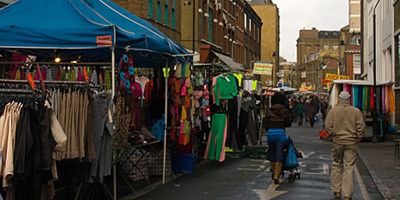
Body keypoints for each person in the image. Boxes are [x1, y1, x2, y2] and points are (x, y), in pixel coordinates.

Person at [324, 91, 365, 200]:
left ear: (339, 99)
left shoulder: (333, 111)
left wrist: (332, 134)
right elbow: (361, 126)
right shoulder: (356, 111)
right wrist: (358, 137)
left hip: (337, 141)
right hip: (351, 142)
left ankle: (337, 191)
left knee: (336, 165)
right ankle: (347, 195)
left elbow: (327, 125)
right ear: (349, 99)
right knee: (349, 167)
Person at [265, 92, 291, 184]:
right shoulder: (285, 110)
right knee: (279, 154)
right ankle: (277, 175)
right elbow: (288, 123)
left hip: (270, 134)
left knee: (272, 154)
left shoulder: (269, 110)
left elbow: (266, 123)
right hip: (280, 134)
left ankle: (273, 171)